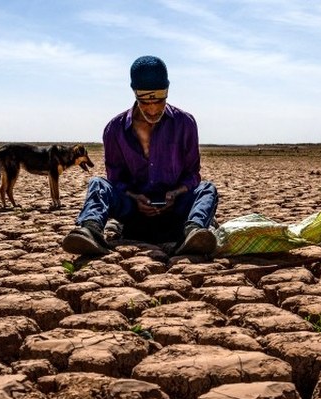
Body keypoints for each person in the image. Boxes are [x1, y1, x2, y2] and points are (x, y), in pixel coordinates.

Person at [62, 55, 220, 257]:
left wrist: (175, 194)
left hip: (175, 210)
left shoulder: (185, 123)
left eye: (160, 100)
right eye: (145, 101)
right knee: (98, 184)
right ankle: (90, 230)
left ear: (168, 91)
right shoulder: (115, 129)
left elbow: (193, 174)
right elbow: (116, 179)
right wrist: (135, 197)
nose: (153, 109)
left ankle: (194, 233)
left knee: (207, 189)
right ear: (134, 93)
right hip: (134, 211)